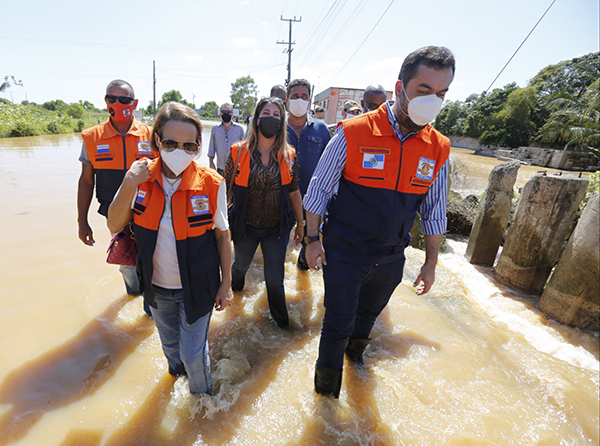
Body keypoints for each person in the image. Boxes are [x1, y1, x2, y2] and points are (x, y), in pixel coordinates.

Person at [304, 46, 455, 398]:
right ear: (400, 87)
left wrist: (431, 263)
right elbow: (319, 189)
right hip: (344, 251)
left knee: (367, 318)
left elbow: (434, 210)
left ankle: (356, 361)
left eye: (442, 94)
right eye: (424, 91)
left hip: (391, 257)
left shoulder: (438, 147)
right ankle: (325, 402)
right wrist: (313, 239)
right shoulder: (353, 131)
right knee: (337, 322)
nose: (433, 101)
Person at [107, 102, 233, 395]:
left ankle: (202, 403)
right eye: (171, 143)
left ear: (198, 147)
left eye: (189, 146)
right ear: (157, 141)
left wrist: (226, 284)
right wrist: (128, 182)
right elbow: (114, 224)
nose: (180, 151)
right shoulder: (139, 178)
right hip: (157, 289)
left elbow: (223, 237)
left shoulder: (212, 183)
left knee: (193, 353)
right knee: (171, 349)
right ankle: (176, 386)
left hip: (199, 287)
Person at [225, 97, 304, 329]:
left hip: (276, 227)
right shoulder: (238, 152)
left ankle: (282, 326)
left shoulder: (289, 155)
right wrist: (219, 224)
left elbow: (294, 192)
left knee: (275, 280)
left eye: (277, 115)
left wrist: (301, 223)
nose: (271, 119)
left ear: (282, 122)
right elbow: (224, 189)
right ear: (256, 119)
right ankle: (235, 292)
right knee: (240, 266)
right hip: (244, 225)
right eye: (266, 113)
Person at [77, 79, 157, 301]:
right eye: (112, 99)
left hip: (149, 212)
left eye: (124, 100)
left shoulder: (151, 135)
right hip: (115, 216)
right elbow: (85, 181)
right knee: (127, 264)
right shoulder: (92, 137)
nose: (118, 104)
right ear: (105, 101)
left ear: (134, 103)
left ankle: (151, 308)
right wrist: (82, 221)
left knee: (153, 261)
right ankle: (134, 297)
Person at [285, 78, 331, 270]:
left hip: (311, 202)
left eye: (304, 96)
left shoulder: (321, 129)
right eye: (295, 96)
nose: (299, 100)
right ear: (287, 100)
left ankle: (302, 268)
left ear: (310, 101)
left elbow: (330, 167)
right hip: (280, 199)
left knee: (308, 246)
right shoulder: (275, 128)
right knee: (276, 249)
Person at [208, 102, 245, 176]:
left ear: (232, 114)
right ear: (220, 113)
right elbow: (211, 148)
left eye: (228, 112)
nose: (226, 114)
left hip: (235, 169)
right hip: (220, 169)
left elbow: (244, 149)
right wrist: (211, 163)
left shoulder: (239, 129)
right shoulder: (215, 129)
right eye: (223, 112)